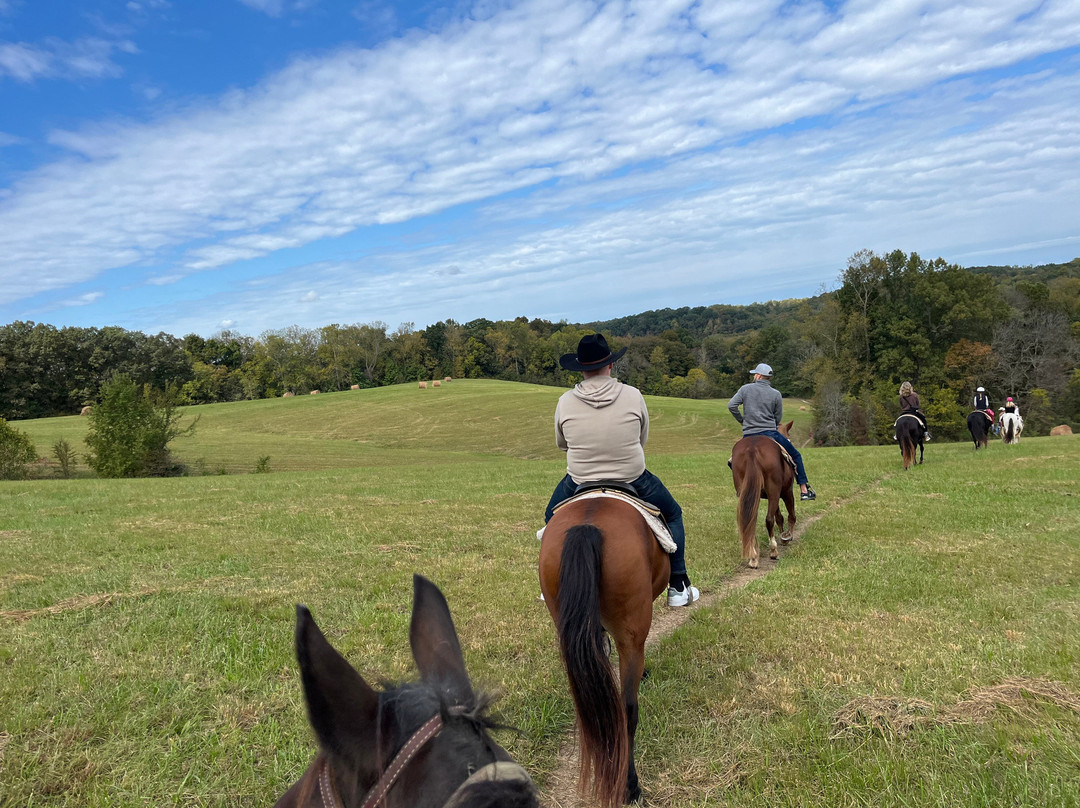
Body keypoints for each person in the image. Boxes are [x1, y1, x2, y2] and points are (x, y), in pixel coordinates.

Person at [544, 333, 699, 608]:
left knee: (551, 516)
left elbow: (561, 444)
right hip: (633, 477)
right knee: (673, 513)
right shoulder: (633, 395)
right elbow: (642, 438)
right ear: (611, 365)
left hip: (580, 479)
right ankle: (677, 583)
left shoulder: (565, 401)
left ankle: (552, 584)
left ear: (581, 369)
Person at [727, 363, 816, 501]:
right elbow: (778, 416)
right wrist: (772, 425)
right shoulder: (776, 394)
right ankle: (804, 490)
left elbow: (731, 405)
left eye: (755, 374)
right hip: (769, 433)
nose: (754, 376)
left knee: (733, 460)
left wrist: (742, 421)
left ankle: (741, 487)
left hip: (749, 434)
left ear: (759, 376)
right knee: (796, 455)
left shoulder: (745, 389)